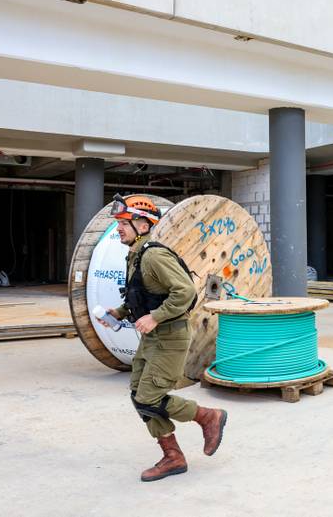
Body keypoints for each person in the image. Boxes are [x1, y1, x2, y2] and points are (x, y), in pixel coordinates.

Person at [98, 194, 228, 481]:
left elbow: (185, 292)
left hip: (170, 337)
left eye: (123, 222)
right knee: (139, 396)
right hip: (153, 339)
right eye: (118, 222)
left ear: (143, 225)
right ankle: (173, 457)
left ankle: (208, 416)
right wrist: (119, 313)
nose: (118, 228)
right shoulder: (135, 255)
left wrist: (155, 317)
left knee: (148, 396)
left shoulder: (154, 255)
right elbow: (144, 294)